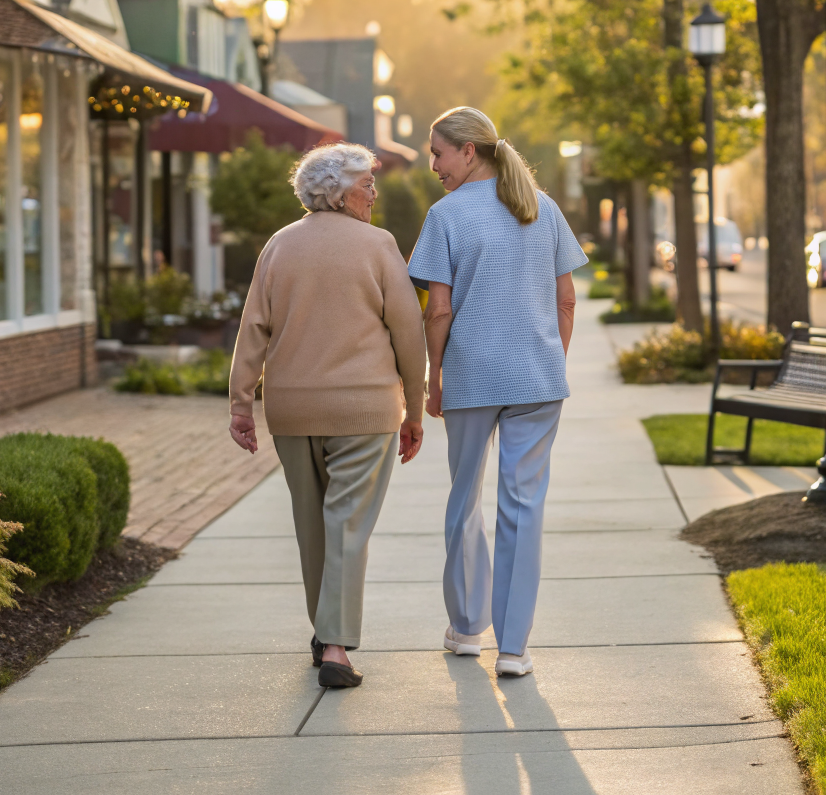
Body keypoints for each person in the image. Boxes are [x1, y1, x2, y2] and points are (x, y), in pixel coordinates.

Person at [228, 143, 427, 689]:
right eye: (367, 184)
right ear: (337, 192)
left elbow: (254, 328)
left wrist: (241, 402)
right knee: (346, 524)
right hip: (364, 408)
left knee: (312, 525)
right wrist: (414, 405)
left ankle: (324, 633)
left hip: (292, 408)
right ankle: (335, 646)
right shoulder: (380, 245)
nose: (374, 193)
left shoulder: (279, 246)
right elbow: (408, 331)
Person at [407, 107, 586, 678]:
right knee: (523, 507)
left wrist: (436, 379)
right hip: (536, 376)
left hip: (471, 375)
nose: (432, 164)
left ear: (469, 151)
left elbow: (438, 310)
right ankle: (513, 649)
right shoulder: (542, 207)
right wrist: (549, 362)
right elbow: (566, 301)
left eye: (437, 152)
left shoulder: (446, 216)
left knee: (464, 500)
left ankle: (465, 631)